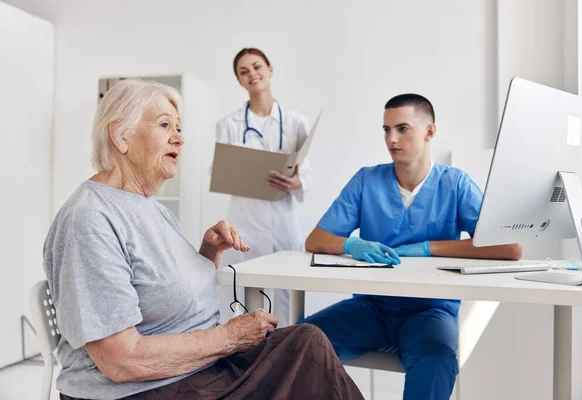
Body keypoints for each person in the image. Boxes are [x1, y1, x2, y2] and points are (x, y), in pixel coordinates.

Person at [44, 79, 363, 400]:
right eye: (165, 124)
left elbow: (164, 292)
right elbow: (120, 360)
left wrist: (208, 252)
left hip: (192, 369)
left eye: (179, 127)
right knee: (307, 359)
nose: (179, 138)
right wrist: (230, 338)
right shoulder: (89, 219)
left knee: (306, 342)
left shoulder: (151, 208)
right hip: (140, 389)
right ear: (120, 135)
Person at [300, 94, 522, 400]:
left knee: (437, 360)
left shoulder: (455, 184)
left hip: (430, 311)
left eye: (402, 128)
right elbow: (316, 240)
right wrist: (352, 243)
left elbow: (510, 248)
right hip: (371, 308)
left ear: (429, 132)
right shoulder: (367, 181)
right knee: (299, 341)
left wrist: (431, 248)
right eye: (386, 129)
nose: (391, 138)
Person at [216, 48, 313, 325]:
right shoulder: (228, 124)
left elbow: (306, 172)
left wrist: (296, 182)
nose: (252, 75)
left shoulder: (296, 121)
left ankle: (288, 355)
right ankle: (247, 358)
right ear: (238, 80)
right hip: (245, 220)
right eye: (243, 72)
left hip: (283, 218)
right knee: (245, 293)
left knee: (288, 295)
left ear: (270, 69)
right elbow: (221, 169)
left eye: (257, 67)